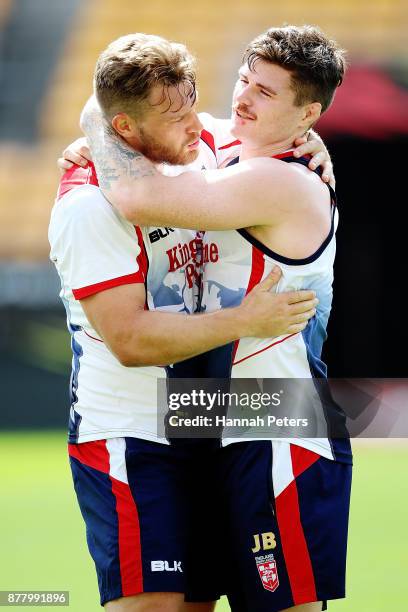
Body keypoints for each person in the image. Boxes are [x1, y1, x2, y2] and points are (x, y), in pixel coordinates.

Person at [50, 32, 333, 612]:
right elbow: (129, 339)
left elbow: (138, 183)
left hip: (269, 417)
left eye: (265, 93)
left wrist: (103, 132)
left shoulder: (258, 170)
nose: (227, 112)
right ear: (128, 129)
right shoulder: (102, 197)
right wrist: (99, 130)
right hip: (152, 422)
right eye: (244, 84)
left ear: (307, 112)